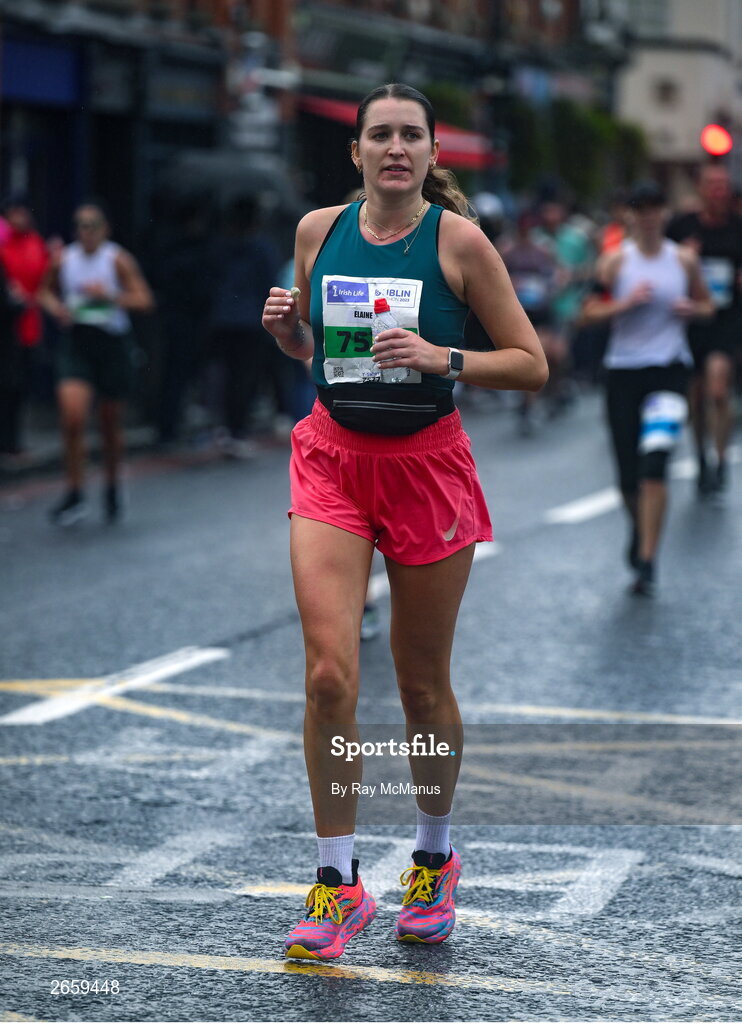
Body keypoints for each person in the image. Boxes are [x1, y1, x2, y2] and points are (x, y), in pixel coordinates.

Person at [262, 82, 547, 960]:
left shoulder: (460, 243)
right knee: (326, 678)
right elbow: (326, 351)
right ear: (355, 152)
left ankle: (432, 858)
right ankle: (338, 881)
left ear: (431, 154)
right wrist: (290, 340)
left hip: (424, 468)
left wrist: (442, 356)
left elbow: (532, 363)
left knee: (421, 686)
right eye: (379, 134)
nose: (395, 147)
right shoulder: (319, 231)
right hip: (333, 460)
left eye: (410, 135)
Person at [582, 182, 712, 596]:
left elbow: (709, 304)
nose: (650, 217)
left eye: (657, 208)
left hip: (669, 372)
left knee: (655, 462)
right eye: (642, 209)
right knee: (627, 476)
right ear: (631, 215)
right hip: (624, 373)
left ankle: (649, 559)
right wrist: (625, 304)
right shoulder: (615, 262)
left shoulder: (684, 260)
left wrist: (694, 309)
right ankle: (640, 531)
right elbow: (588, 312)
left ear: (665, 214)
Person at [38, 202, 154, 524]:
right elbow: (44, 293)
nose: (87, 231)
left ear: (105, 229)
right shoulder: (64, 259)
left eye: (93, 225)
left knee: (108, 422)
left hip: (111, 344)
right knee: (73, 418)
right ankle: (75, 492)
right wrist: (57, 309)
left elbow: (144, 299)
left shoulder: (116, 259)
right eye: (81, 225)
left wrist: (111, 296)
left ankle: (113, 485)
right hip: (77, 343)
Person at [666, 162, 742, 497]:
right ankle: (701, 458)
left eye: (723, 184)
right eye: (712, 183)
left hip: (726, 318)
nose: (719, 190)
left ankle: (722, 456)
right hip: (689, 320)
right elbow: (658, 263)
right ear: (700, 188)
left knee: (717, 389)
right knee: (695, 397)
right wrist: (682, 260)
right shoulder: (682, 226)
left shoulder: (738, 227)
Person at [500, 209, 559, 433]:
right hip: (519, 312)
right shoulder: (506, 250)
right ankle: (528, 404)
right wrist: (509, 284)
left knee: (554, 354)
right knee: (531, 356)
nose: (526, 234)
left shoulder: (544, 249)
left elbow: (558, 273)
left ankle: (554, 391)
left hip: (542, 310)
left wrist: (552, 285)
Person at [0, 196, 50, 454]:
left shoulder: (35, 243)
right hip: (6, 326)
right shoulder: (3, 244)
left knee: (19, 386)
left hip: (27, 324)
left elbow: (44, 279)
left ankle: (13, 440)